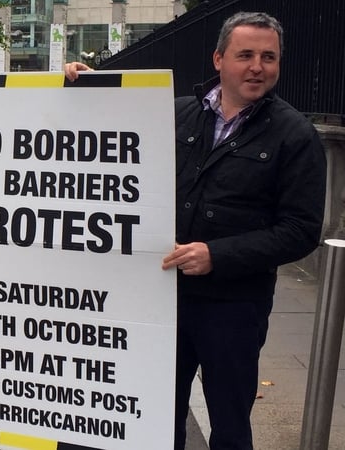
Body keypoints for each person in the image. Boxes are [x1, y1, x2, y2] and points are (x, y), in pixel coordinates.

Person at [66, 11, 326, 450]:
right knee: (154, 416)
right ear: (218, 59)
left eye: (269, 57)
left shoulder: (295, 135)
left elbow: (301, 231)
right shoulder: (179, 114)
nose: (257, 67)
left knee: (228, 422)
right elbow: (116, 129)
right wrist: (88, 85)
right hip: (161, 298)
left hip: (234, 307)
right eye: (245, 55)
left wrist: (217, 255)